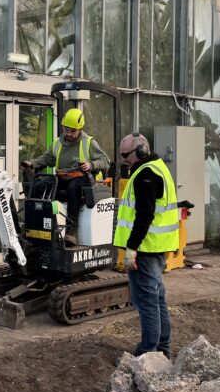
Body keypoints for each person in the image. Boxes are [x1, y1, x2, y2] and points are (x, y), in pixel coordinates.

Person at [114, 132, 179, 357]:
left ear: (141, 151)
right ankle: (162, 349)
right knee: (157, 298)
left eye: (126, 155)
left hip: (145, 248)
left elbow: (144, 215)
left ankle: (147, 353)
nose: (124, 159)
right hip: (154, 246)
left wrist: (131, 247)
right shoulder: (157, 167)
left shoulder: (146, 174)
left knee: (147, 301)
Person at [21, 108, 110, 244]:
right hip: (62, 177)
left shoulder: (89, 142)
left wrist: (90, 165)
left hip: (83, 180)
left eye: (72, 131)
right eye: (66, 130)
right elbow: (47, 158)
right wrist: (32, 163)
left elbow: (105, 161)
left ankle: (71, 230)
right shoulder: (57, 143)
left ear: (80, 129)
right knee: (39, 187)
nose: (68, 134)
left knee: (73, 188)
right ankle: (36, 226)